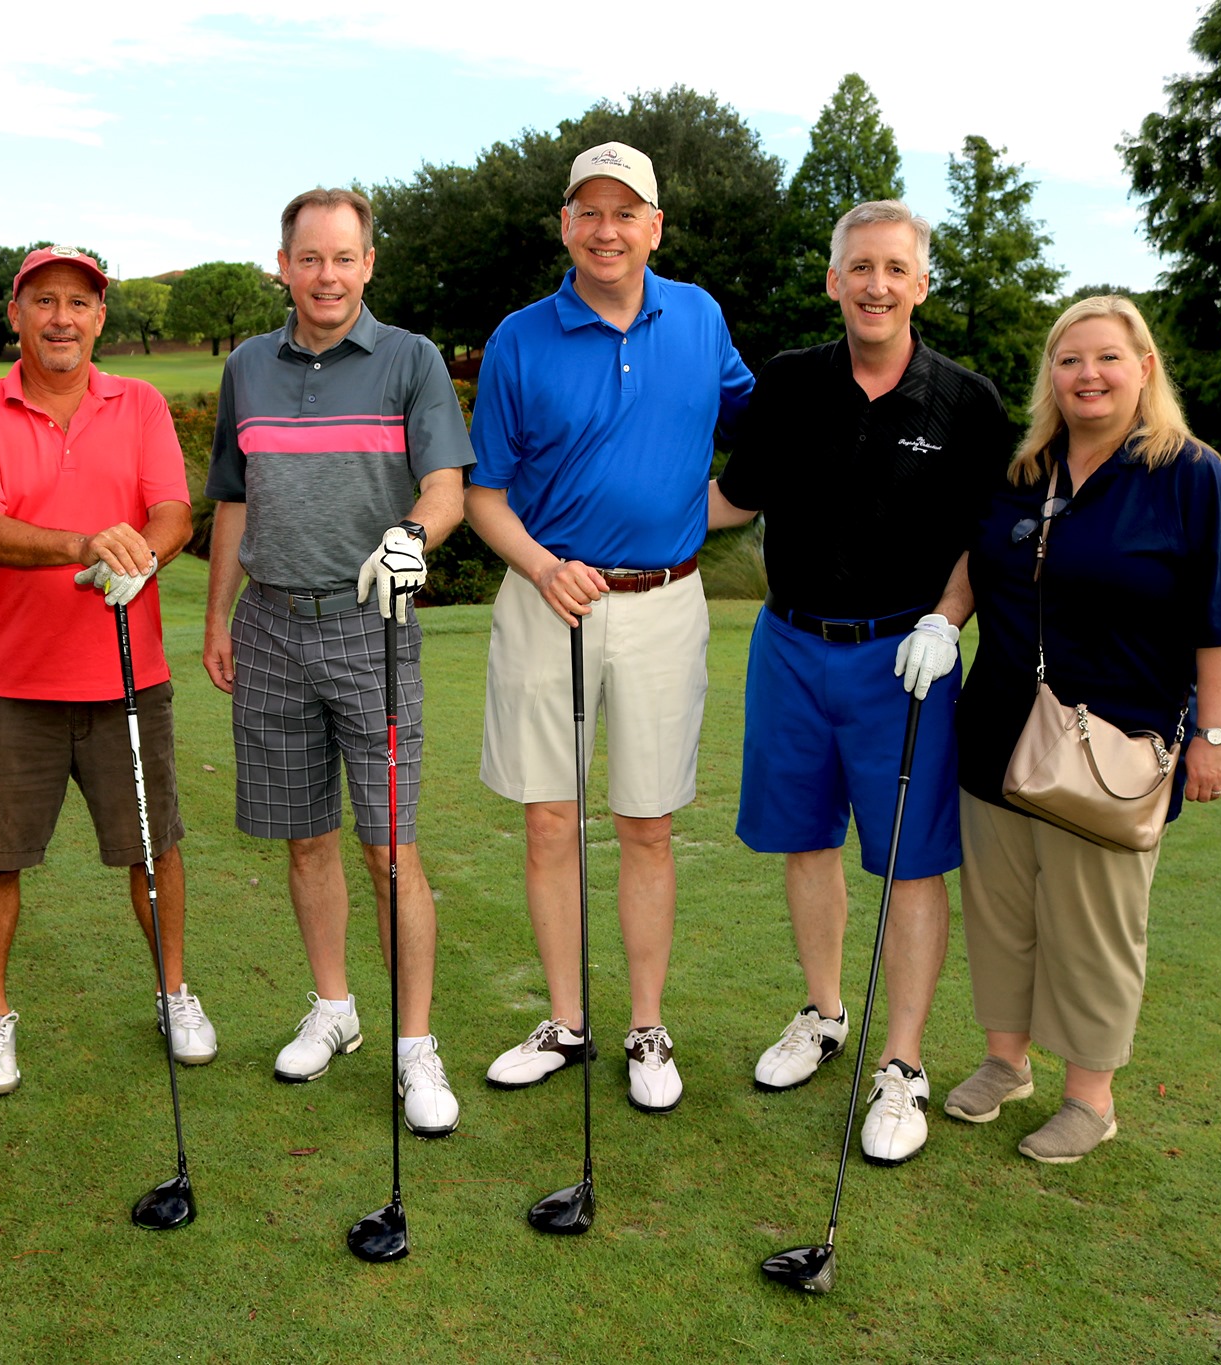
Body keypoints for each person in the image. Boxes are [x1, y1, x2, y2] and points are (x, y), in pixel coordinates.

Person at [706, 200, 1011, 1165]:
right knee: (806, 840)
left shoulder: (966, 399)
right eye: (860, 268)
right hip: (791, 646)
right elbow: (733, 499)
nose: (877, 285)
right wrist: (594, 521)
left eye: (895, 268)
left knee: (912, 862)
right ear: (834, 279)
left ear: (921, 284)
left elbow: (986, 537)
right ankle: (825, 1013)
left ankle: (903, 1063)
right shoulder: (790, 380)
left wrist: (946, 619)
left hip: (905, 659)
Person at [939, 294, 1221, 1163]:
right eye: (1070, 359)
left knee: (1095, 929)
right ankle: (1005, 1062)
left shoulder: (1190, 475)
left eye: (1108, 357)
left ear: (1144, 368)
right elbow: (976, 558)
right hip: (998, 732)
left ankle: (1091, 1098)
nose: (1088, 374)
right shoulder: (1024, 471)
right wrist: (943, 619)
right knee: (1001, 913)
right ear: (1051, 374)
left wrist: (1215, 735)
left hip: (1115, 747)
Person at [467, 142, 753, 1114]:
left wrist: (724, 503)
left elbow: (763, 434)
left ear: (654, 227)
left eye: (625, 212)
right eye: (588, 211)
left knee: (646, 823)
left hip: (666, 604)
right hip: (547, 599)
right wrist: (542, 565)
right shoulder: (519, 337)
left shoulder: (699, 316)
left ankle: (644, 1026)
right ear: (565, 225)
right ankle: (565, 1021)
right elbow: (484, 492)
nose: (606, 229)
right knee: (549, 818)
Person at [202, 188, 473, 1138]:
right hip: (271, 625)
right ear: (283, 265)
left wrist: (411, 537)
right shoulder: (247, 366)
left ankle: (415, 1044)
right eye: (309, 258)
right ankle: (335, 1008)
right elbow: (233, 499)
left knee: (388, 846)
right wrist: (218, 616)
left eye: (344, 257)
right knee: (306, 837)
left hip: (371, 627)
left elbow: (446, 488)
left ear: (369, 264)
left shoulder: (411, 359)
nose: (327, 276)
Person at [0, 246, 211, 1097]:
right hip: (9, 682)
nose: (62, 318)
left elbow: (173, 511)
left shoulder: (140, 403)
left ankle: (173, 992)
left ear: (99, 318)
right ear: (15, 314)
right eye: (45, 301)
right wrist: (84, 544)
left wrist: (143, 556)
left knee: (153, 848)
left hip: (128, 677)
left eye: (79, 303)